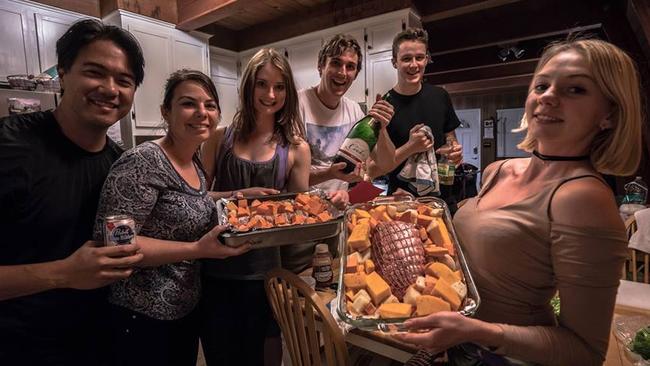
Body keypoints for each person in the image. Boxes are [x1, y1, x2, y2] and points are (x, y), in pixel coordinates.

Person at [396, 38, 642, 366]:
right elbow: (473, 253)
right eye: (541, 84)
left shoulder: (582, 199)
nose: (549, 96)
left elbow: (584, 351)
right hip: (456, 342)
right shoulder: (500, 170)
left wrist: (479, 332)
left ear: (609, 114)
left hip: (505, 357)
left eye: (576, 90)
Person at [0, 19, 145, 365]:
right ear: (62, 73)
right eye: (95, 72)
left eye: (124, 81)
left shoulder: (121, 164)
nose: (110, 89)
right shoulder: (9, 145)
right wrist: (63, 273)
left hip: (103, 343)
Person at [93, 70, 250, 366]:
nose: (202, 113)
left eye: (210, 105)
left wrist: (237, 194)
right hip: (142, 315)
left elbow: (191, 200)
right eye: (189, 104)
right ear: (166, 111)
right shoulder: (143, 161)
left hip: (184, 307)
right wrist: (197, 250)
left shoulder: (192, 159)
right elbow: (115, 243)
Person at [199, 48, 311, 366]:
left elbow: (299, 216)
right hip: (217, 269)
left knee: (266, 356)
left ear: (288, 91)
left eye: (279, 86)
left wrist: (325, 203)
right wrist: (238, 195)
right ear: (249, 86)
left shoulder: (297, 149)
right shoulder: (218, 138)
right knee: (223, 356)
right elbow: (194, 198)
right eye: (262, 84)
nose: (270, 94)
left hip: (267, 276)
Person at [281, 34, 396, 273]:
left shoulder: (354, 110)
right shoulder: (297, 104)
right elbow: (288, 175)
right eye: (336, 63)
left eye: (350, 66)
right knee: (297, 289)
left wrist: (381, 127)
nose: (342, 72)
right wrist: (332, 177)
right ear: (321, 65)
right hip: (300, 222)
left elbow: (385, 163)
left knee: (331, 285)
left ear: (356, 74)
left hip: (337, 220)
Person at [368, 28, 463, 206]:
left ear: (426, 59)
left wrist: (454, 152)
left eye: (419, 57)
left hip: (443, 200)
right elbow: (371, 170)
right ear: (394, 62)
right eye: (406, 59)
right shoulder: (384, 107)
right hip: (401, 203)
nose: (414, 65)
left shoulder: (440, 96)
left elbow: (451, 140)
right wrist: (411, 147)